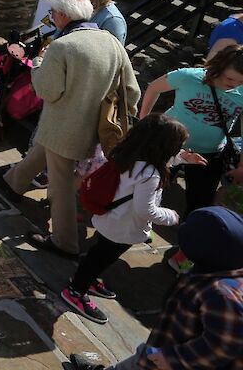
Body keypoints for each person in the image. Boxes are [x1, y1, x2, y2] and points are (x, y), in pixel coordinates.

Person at [0, 0, 141, 258]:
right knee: (42, 151)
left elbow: (47, 91)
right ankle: (13, 182)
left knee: (62, 185)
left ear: (63, 15)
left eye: (53, 12)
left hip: (63, 128)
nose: (51, 16)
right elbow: (132, 91)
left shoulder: (62, 46)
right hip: (93, 127)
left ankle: (65, 242)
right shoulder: (111, 42)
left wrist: (39, 64)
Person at [67, 205, 243, 370]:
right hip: (164, 345)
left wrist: (175, 358)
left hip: (175, 361)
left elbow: (224, 345)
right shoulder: (218, 266)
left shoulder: (222, 294)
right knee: (137, 362)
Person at [59, 114, 193, 324]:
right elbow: (145, 210)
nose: (180, 149)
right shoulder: (150, 175)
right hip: (123, 227)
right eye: (179, 146)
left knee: (98, 253)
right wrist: (171, 216)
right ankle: (75, 290)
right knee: (101, 258)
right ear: (164, 146)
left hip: (111, 220)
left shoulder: (128, 155)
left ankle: (86, 279)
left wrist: (183, 159)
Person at [137, 44, 243, 265]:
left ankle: (185, 253)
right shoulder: (188, 77)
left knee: (199, 203)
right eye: (231, 80)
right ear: (217, 67)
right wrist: (144, 121)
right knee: (151, 188)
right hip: (169, 146)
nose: (235, 86)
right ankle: (138, 227)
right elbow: (154, 88)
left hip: (210, 153)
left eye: (241, 82)